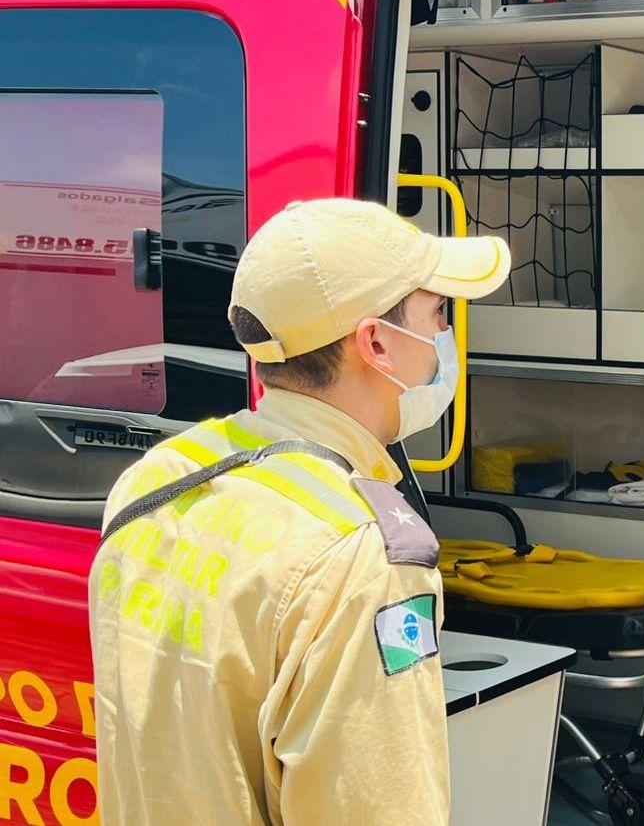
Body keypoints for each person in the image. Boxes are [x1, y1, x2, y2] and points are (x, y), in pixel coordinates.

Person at [88, 198, 510, 824]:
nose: (445, 336)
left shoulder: (156, 478)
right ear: (377, 343)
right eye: (437, 313)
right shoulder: (361, 558)